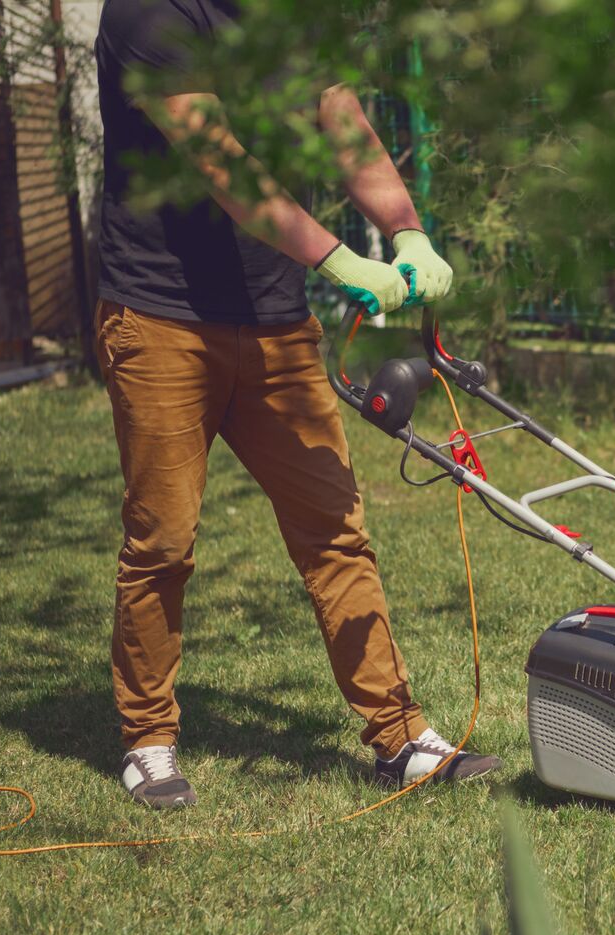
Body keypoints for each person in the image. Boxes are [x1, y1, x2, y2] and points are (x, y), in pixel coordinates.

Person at [93, 0, 500, 808]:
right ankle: (148, 738)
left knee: (335, 531)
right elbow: (226, 168)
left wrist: (406, 229)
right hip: (162, 318)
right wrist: (345, 260)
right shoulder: (151, 12)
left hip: (275, 318)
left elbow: (343, 126)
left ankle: (398, 736)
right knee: (163, 540)